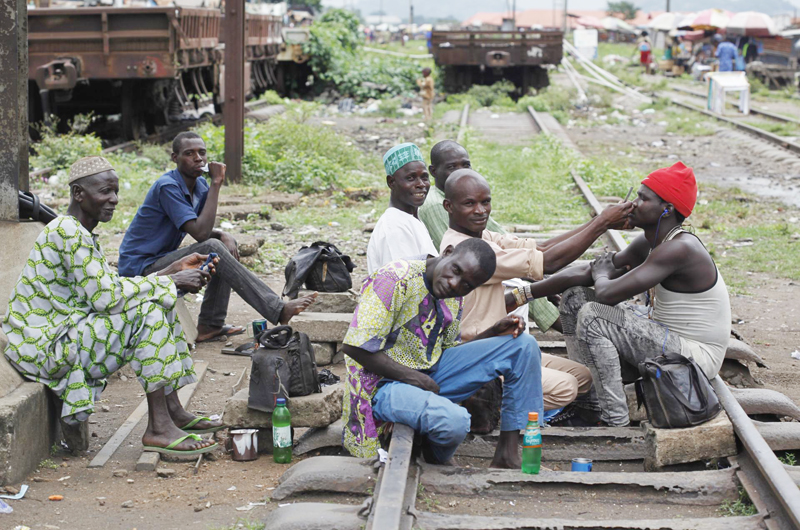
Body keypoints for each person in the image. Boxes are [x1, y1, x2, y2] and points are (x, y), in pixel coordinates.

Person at [2, 156, 223, 455]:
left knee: (157, 299)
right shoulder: (66, 231)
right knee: (149, 309)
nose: (114, 200)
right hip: (45, 346)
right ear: (79, 194)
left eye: (115, 192)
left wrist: (169, 272)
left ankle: (173, 412)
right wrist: (171, 282)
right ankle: (158, 428)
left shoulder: (78, 232)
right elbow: (107, 298)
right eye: (105, 192)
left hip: (63, 334)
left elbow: (108, 288)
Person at [439, 169, 633, 413]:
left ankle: (503, 398)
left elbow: (541, 248)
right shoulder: (468, 252)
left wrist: (599, 222)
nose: (480, 210)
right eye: (469, 204)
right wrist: (602, 223)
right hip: (479, 355)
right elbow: (548, 262)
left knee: (583, 376)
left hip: (501, 345)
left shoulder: (481, 235)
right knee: (567, 387)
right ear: (448, 206)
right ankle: (489, 407)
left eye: (485, 202)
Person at [552, 162, 730, 427]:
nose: (633, 203)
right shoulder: (653, 241)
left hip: (693, 358)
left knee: (593, 316)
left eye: (643, 198)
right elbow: (591, 273)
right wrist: (526, 292)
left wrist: (602, 274)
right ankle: (586, 401)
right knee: (576, 298)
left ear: (667, 209)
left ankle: (613, 420)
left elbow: (606, 292)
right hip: (666, 341)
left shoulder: (680, 248)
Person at [341, 239, 543, 469]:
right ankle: (436, 456)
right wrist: (416, 378)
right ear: (447, 252)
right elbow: (354, 346)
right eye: (455, 271)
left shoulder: (454, 293)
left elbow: (446, 351)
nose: (454, 284)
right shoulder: (393, 279)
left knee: (523, 346)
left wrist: (492, 332)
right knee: (455, 422)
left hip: (429, 376)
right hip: (384, 385)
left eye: (467, 285)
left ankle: (507, 454)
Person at [118, 132, 315, 342]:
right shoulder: (168, 186)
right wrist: (217, 182)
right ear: (175, 158)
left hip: (162, 259)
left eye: (202, 153)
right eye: (189, 153)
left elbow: (197, 226)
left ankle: (210, 324)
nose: (198, 158)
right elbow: (200, 233)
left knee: (220, 244)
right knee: (212, 245)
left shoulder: (200, 186)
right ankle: (277, 309)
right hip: (140, 269)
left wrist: (223, 233)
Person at [418, 140, 561, 334]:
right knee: (522, 283)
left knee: (526, 284)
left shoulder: (468, 206)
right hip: (473, 282)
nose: (459, 171)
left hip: (486, 270)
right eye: (451, 167)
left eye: (465, 165)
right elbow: (458, 257)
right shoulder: (439, 206)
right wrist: (536, 278)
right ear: (434, 171)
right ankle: (566, 326)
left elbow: (506, 240)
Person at [366, 143, 438, 275]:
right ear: (391, 182)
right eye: (410, 178)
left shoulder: (411, 219)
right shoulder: (395, 226)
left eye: (424, 177)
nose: (421, 184)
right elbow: (403, 285)